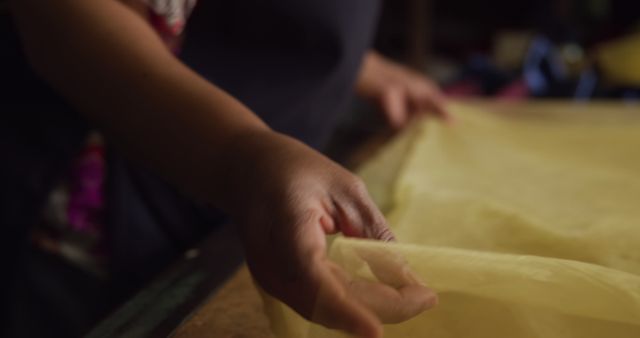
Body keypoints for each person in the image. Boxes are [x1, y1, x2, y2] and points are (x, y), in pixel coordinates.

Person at [3, 0, 449, 337]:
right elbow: (65, 15)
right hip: (87, 235)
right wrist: (244, 157)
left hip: (237, 204)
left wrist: (348, 61)